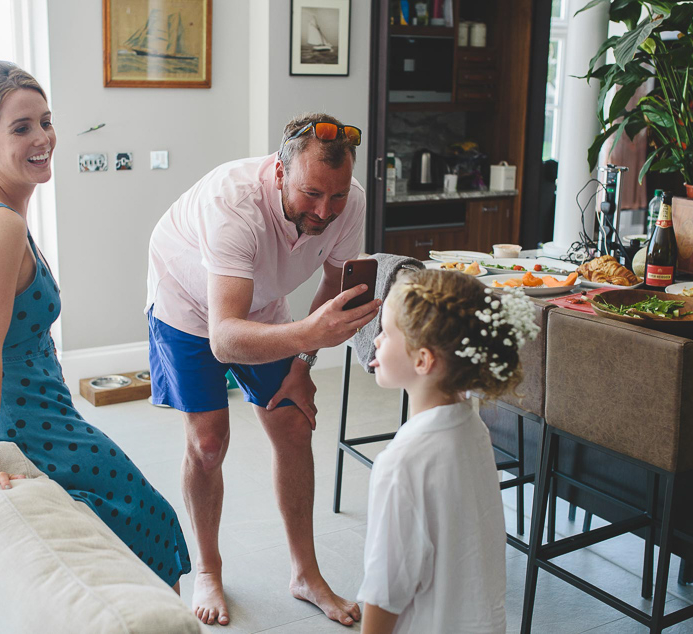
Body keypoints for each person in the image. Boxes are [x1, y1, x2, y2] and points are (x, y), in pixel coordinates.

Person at [0, 60, 190, 590]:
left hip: (44, 407)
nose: (43, 137)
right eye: (21, 128)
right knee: (151, 515)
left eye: (45, 121)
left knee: (139, 515)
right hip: (32, 422)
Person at [146, 113, 380, 626]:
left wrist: (302, 361)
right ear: (279, 172)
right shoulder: (233, 204)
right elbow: (225, 338)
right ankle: (208, 568)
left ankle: (305, 573)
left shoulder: (349, 201)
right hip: (186, 305)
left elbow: (333, 283)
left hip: (259, 301)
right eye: (312, 194)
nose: (325, 211)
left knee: (294, 421)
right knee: (208, 443)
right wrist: (309, 334)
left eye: (336, 196)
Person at [357, 269, 540, 633]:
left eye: (388, 333)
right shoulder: (472, 429)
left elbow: (386, 591)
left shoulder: (400, 463)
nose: (376, 340)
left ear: (423, 360)